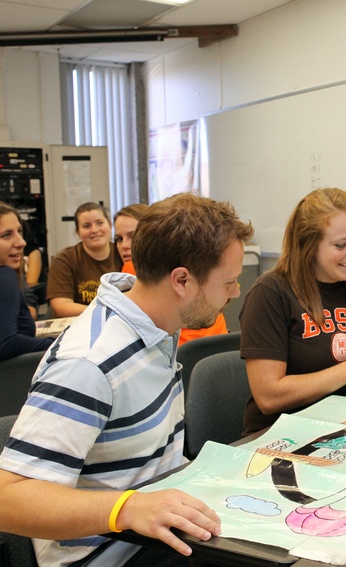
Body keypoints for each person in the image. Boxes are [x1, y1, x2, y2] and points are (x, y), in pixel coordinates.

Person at [0, 193, 254, 566]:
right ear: (181, 280)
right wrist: (128, 508)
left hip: (157, 535)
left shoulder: (157, 325)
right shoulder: (89, 364)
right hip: (111, 554)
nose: (235, 292)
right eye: (229, 282)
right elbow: (9, 498)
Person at [240, 188, 346, 435]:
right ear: (309, 246)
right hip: (283, 435)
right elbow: (269, 397)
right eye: (341, 245)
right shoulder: (270, 293)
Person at [115, 204, 229, 347]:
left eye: (132, 237)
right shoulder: (194, 262)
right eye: (119, 239)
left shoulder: (134, 269)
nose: (124, 245)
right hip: (218, 346)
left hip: (182, 352)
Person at [47, 201, 122, 317]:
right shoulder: (64, 259)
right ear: (78, 232)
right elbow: (61, 306)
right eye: (87, 226)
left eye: (100, 223)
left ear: (110, 226)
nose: (94, 230)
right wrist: (103, 311)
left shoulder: (123, 253)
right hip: (78, 326)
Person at [0, 202, 54, 360]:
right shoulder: (4, 275)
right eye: (6, 235)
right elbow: (6, 343)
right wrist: (57, 344)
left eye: (19, 231)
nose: (21, 242)